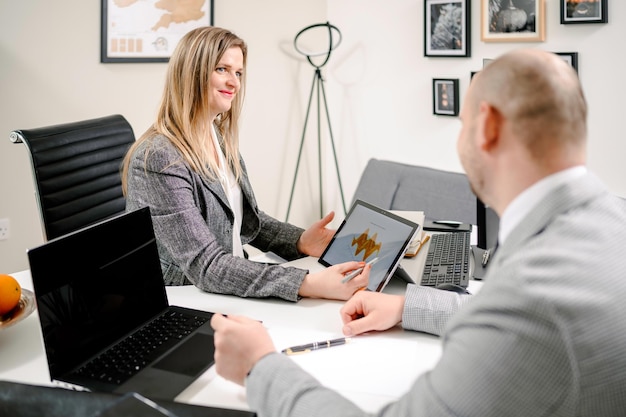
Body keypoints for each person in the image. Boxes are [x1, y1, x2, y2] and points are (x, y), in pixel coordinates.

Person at [210, 48, 626, 416]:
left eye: (462, 124)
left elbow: (519, 318)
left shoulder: (532, 292)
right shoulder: (609, 225)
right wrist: (406, 307)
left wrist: (261, 366)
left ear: (488, 127)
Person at [121, 26, 368, 302]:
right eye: (222, 69)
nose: (235, 83)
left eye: (238, 73)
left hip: (227, 282)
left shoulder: (217, 136)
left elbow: (243, 220)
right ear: (192, 72)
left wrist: (300, 241)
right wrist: (308, 283)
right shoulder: (158, 157)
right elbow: (206, 266)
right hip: (185, 297)